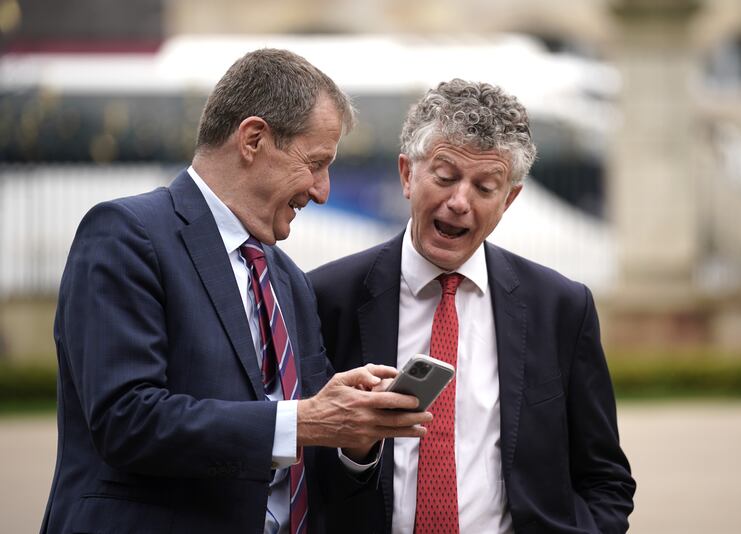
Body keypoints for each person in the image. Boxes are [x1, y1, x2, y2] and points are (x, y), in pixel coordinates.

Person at [40, 48, 431, 534]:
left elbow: (302, 444)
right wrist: (303, 421)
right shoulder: (126, 234)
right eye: (315, 163)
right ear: (252, 139)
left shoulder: (287, 280)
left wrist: (354, 435)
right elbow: (127, 421)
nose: (323, 189)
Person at [309, 79, 636, 533]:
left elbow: (605, 477)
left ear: (509, 199)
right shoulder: (326, 298)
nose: (459, 202)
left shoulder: (561, 307)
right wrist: (355, 449)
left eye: (485, 186)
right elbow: (297, 466)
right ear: (407, 174)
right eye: (444, 177)